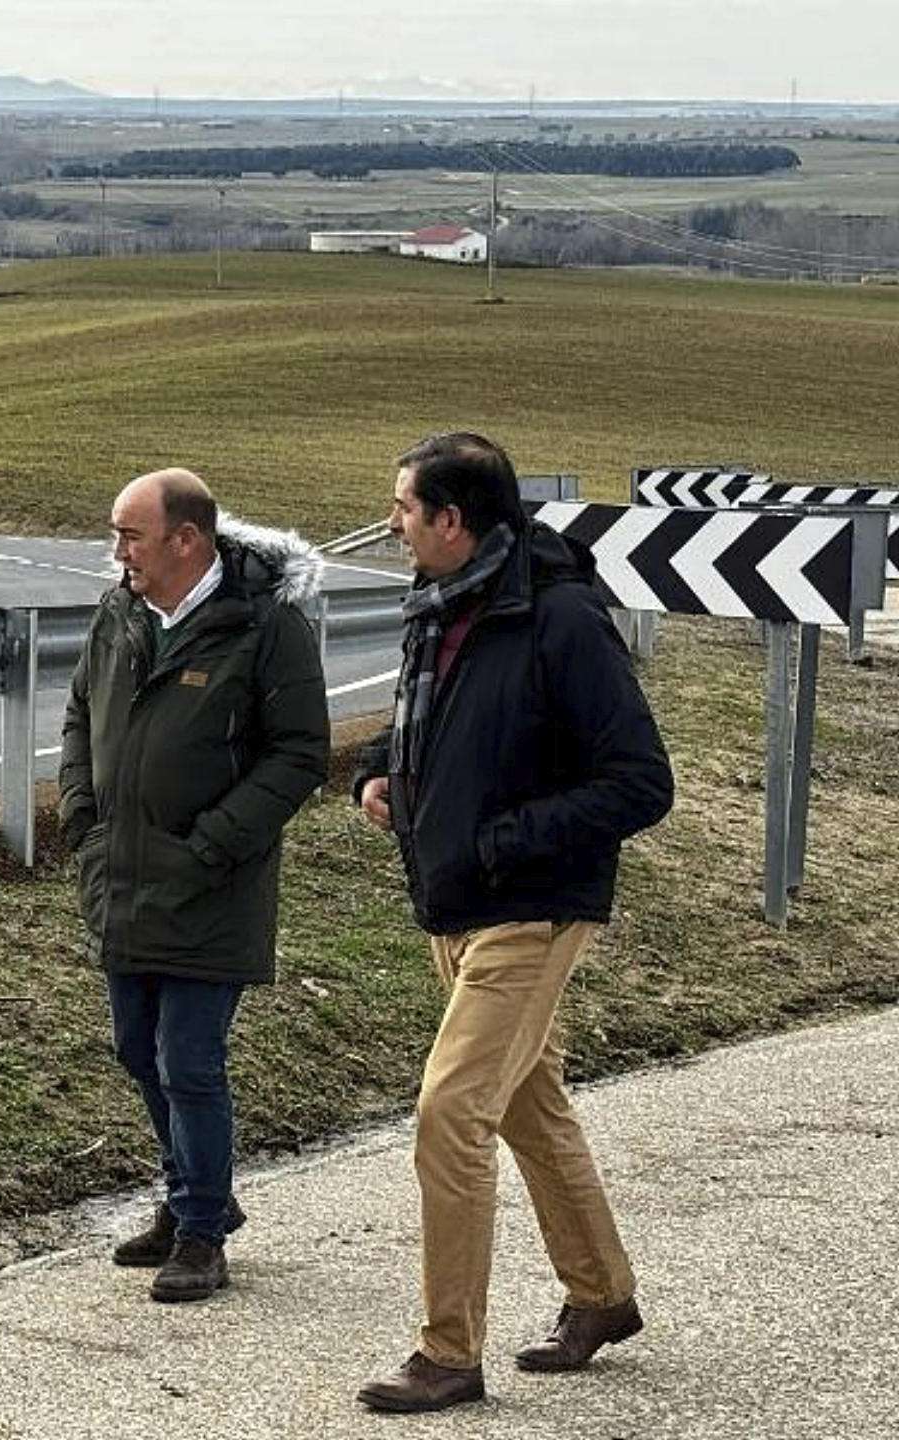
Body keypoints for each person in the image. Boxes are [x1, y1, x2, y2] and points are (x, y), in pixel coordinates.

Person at [351, 433, 674, 1412]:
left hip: (529, 909)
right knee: (533, 1107)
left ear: (455, 520)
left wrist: (502, 842)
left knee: (451, 1113)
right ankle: (603, 1294)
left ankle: (449, 1351)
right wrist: (376, 767)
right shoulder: (442, 606)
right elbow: (429, 722)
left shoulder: (561, 619)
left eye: (406, 509)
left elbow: (641, 782)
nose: (395, 523)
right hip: (454, 902)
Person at [60, 467, 329, 1303]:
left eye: (130, 535)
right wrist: (82, 818)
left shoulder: (265, 626)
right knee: (138, 1049)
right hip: (124, 875)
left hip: (215, 885)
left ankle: (204, 1234)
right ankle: (190, 1199)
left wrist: (215, 843)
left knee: (188, 1059)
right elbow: (79, 714)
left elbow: (299, 753)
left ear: (187, 539)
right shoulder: (119, 614)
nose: (117, 552)